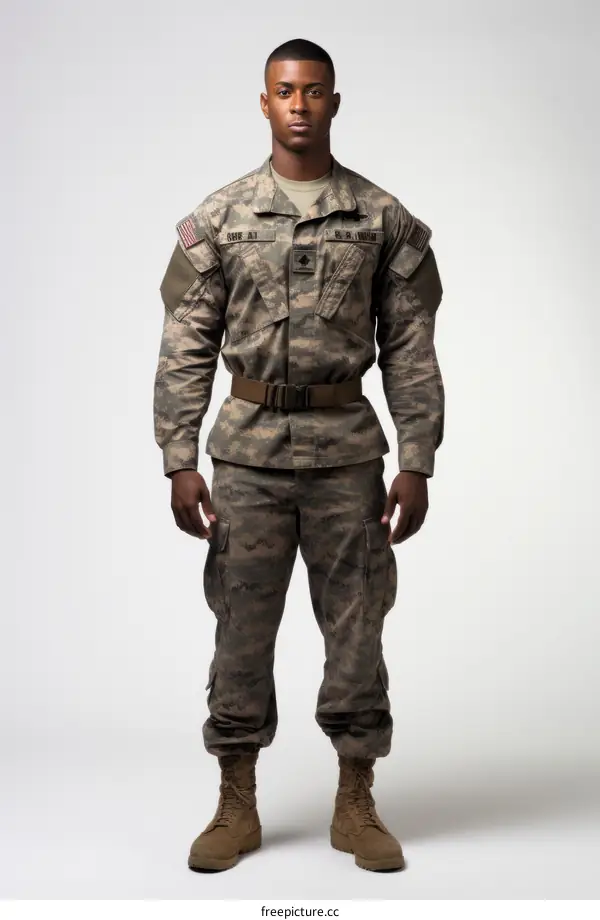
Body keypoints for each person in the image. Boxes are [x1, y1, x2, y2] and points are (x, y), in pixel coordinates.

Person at [153, 37, 445, 873]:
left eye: (314, 91)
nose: (300, 105)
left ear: (334, 103)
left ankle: (356, 802)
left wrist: (416, 459)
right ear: (264, 102)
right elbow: (186, 346)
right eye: (285, 91)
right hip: (244, 463)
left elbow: (412, 351)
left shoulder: (381, 217)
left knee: (356, 632)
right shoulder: (220, 217)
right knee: (241, 632)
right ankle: (235, 802)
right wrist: (179, 458)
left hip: (347, 459)